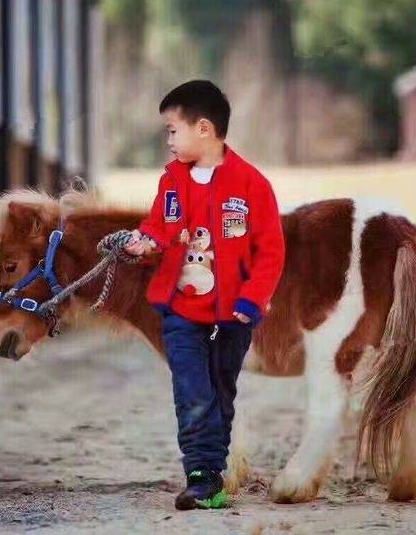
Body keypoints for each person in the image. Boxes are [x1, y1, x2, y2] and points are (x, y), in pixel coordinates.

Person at [123, 80, 285, 510]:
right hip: (181, 310)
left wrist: (252, 301)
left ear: (204, 129)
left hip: (233, 313)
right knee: (192, 390)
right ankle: (200, 475)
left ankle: (213, 473)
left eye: (173, 130)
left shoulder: (252, 184)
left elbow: (271, 251)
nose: (169, 139)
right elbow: (158, 224)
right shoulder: (172, 180)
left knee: (220, 392)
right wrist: (144, 241)